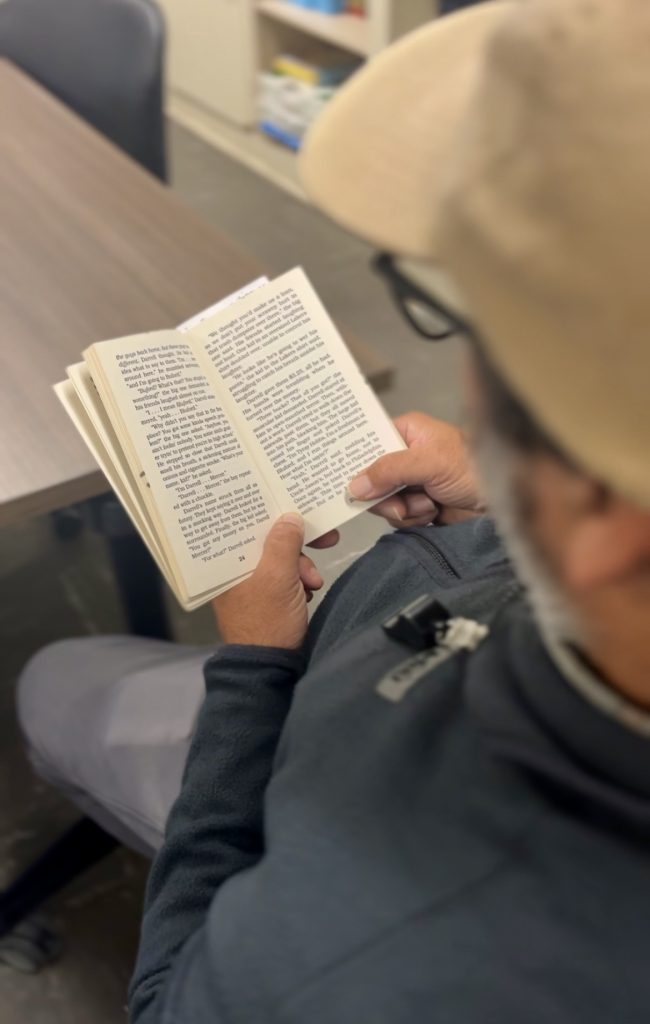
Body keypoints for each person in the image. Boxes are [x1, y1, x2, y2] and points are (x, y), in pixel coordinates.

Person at [17, 0, 650, 1019]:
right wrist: (498, 507)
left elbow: (171, 997)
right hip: (400, 627)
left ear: (602, 515)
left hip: (292, 726)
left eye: (474, 313)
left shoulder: (347, 960)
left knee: (55, 680)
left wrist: (253, 672)